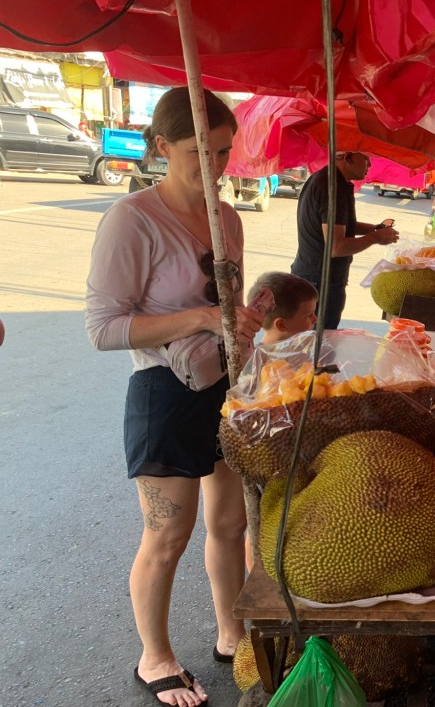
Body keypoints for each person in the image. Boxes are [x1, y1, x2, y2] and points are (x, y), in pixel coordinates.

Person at [85, 87, 264, 707]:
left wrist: (246, 321)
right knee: (167, 536)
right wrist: (199, 319)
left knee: (230, 523)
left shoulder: (228, 218)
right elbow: (104, 329)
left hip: (225, 387)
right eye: (198, 152)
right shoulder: (133, 219)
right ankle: (154, 656)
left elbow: (227, 306)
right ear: (161, 146)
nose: (214, 166)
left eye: (224, 151)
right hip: (164, 391)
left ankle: (230, 631)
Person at [290, 152, 400, 329]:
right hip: (320, 280)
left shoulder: (330, 181)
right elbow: (336, 247)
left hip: (314, 276)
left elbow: (340, 225)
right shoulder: (331, 187)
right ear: (347, 158)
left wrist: (374, 228)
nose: (370, 164)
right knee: (318, 339)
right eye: (365, 159)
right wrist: (375, 237)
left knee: (314, 338)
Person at [247, 272, 318, 346]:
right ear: (281, 325)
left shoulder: (302, 347)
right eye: (309, 315)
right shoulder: (258, 354)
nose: (315, 319)